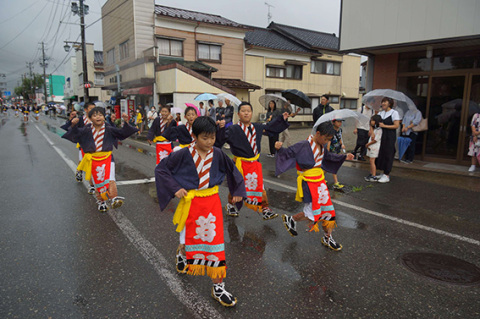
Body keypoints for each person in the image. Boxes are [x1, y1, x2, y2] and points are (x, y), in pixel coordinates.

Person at [155, 116, 246, 307]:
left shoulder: (219, 154)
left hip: (211, 204)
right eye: (205, 138)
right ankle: (182, 254)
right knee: (188, 242)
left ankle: (218, 286)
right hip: (191, 203)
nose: (210, 142)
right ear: (194, 136)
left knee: (215, 244)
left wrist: (237, 191)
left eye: (212, 137)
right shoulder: (182, 153)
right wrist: (175, 188)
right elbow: (162, 170)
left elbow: (233, 171)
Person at [275, 121, 354, 251]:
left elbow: (329, 157)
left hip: (320, 183)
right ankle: (292, 219)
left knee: (328, 212)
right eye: (325, 138)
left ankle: (327, 237)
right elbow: (287, 153)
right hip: (309, 183)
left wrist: (344, 156)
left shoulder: (322, 146)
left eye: (329, 139)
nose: (326, 141)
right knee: (313, 211)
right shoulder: (303, 145)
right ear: (318, 133)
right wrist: (278, 148)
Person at [62, 107, 138, 212]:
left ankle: (114, 199)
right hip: (93, 159)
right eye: (95, 115)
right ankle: (101, 202)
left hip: (107, 158)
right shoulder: (86, 129)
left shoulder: (109, 129)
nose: (98, 117)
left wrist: (126, 122)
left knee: (111, 179)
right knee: (98, 183)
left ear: (104, 117)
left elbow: (122, 133)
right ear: (90, 118)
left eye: (100, 115)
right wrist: (73, 124)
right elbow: (74, 134)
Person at [224, 101, 289, 220]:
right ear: (238, 114)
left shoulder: (257, 127)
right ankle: (231, 204)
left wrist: (282, 119)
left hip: (254, 163)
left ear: (251, 113)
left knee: (260, 186)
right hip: (240, 163)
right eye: (243, 111)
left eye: (248, 111)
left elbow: (270, 127)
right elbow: (221, 138)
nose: (246, 113)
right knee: (237, 185)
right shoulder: (233, 129)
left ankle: (264, 208)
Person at [61, 102, 96, 191]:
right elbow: (68, 128)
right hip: (83, 145)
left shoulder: (97, 119)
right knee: (84, 161)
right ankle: (80, 171)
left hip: (95, 145)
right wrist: (71, 121)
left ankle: (92, 184)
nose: (93, 110)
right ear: (85, 110)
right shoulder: (80, 120)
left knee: (92, 164)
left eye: (94, 108)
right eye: (91, 108)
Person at [376, 97, 401, 183]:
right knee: (381, 153)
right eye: (382, 102)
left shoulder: (394, 113)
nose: (383, 103)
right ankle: (383, 171)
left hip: (390, 136)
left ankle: (387, 174)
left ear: (390, 103)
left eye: (385, 102)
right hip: (381, 135)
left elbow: (396, 125)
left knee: (388, 154)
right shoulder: (381, 113)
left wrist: (385, 126)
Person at [327, 119, 346, 190]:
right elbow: (329, 141)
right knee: (334, 165)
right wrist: (327, 152)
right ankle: (336, 183)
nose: (340, 123)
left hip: (337, 149)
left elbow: (340, 138)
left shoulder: (340, 130)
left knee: (329, 165)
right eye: (338, 122)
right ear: (333, 122)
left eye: (341, 122)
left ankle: (321, 176)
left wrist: (342, 145)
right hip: (332, 150)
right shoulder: (331, 131)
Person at [364, 115, 383, 182]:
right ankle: (371, 173)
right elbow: (371, 134)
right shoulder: (374, 129)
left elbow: (375, 140)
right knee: (371, 161)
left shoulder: (379, 130)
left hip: (375, 147)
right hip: (372, 147)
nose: (371, 121)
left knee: (372, 161)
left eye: (372, 120)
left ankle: (374, 175)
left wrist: (367, 144)